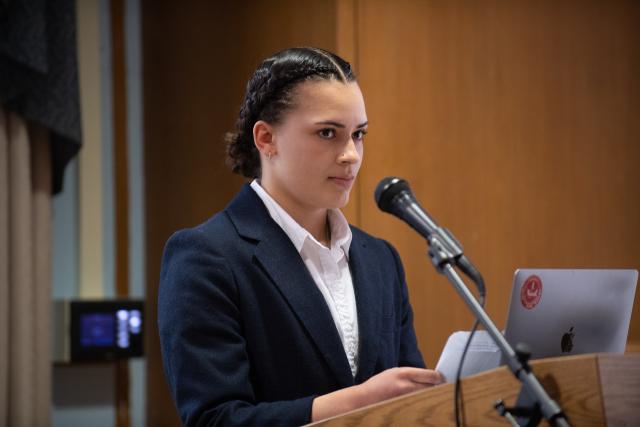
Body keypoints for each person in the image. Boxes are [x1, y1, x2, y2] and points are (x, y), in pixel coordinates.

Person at [157, 47, 444, 427]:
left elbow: (408, 403)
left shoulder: (380, 259)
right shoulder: (205, 256)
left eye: (359, 134)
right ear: (266, 138)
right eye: (328, 133)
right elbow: (215, 419)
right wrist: (360, 401)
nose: (351, 155)